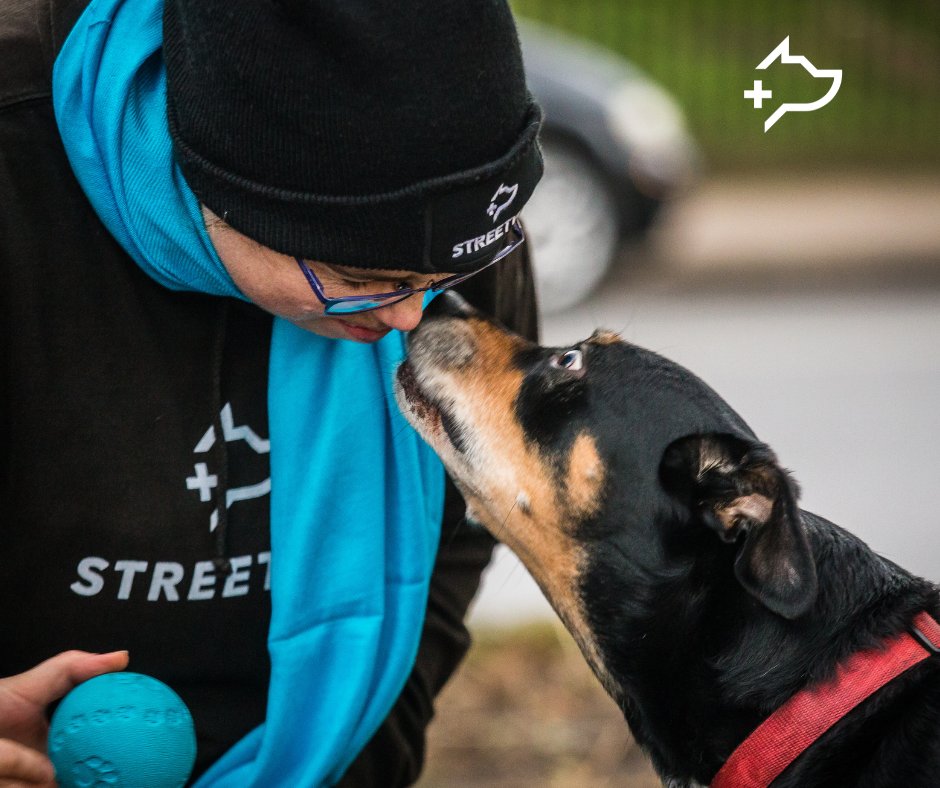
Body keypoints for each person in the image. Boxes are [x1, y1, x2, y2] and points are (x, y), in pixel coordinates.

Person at [0, 0, 542, 784]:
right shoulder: (16, 174)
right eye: (359, 279)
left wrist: (374, 733)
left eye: (443, 279)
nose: (407, 317)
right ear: (215, 190)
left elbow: (472, 498)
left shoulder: (450, 216)